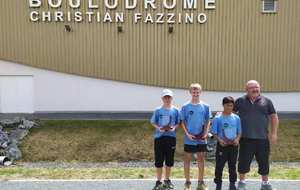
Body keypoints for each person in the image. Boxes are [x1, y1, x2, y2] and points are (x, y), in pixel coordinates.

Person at [234, 80, 279, 190]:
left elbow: (274, 117)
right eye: (252, 87)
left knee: (264, 161)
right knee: (243, 161)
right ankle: (242, 182)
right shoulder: (240, 101)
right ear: (246, 89)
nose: (255, 89)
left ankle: (265, 183)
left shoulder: (266, 101)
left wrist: (273, 133)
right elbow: (232, 116)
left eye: (257, 87)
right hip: (245, 138)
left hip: (262, 138)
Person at [180, 83, 212, 190]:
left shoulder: (206, 106)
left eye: (197, 91)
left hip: (201, 139)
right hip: (189, 139)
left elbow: (208, 120)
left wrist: (206, 133)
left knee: (201, 160)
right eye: (193, 91)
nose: (195, 93)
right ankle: (187, 183)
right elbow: (182, 122)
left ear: (200, 92)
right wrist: (187, 134)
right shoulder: (185, 106)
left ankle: (201, 183)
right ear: (190, 92)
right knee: (187, 160)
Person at [150, 89, 180, 190]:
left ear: (171, 98)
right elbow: (153, 122)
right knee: (159, 160)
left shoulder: (175, 110)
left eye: (169, 97)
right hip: (159, 138)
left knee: (169, 160)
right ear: (162, 98)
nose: (167, 99)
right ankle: (158, 181)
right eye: (165, 97)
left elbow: (178, 122)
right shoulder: (158, 110)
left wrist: (174, 128)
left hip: (171, 138)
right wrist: (159, 128)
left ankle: (167, 180)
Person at [211, 96, 242, 190]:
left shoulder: (236, 118)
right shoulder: (217, 118)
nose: (230, 108)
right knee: (219, 166)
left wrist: (237, 139)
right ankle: (218, 184)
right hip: (222, 146)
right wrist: (220, 140)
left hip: (233, 146)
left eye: (231, 106)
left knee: (232, 166)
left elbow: (239, 132)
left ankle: (232, 184)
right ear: (223, 105)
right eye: (228, 105)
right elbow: (214, 132)